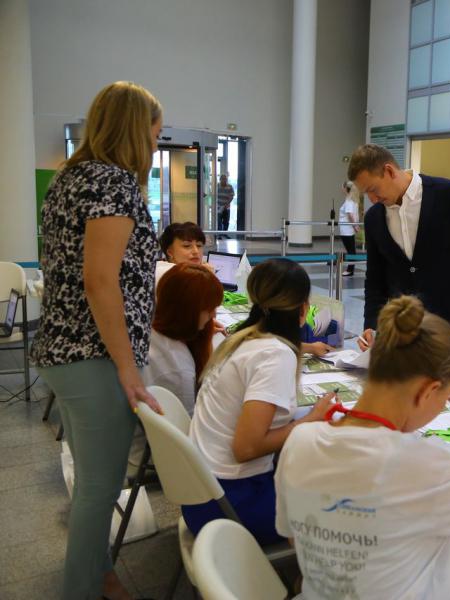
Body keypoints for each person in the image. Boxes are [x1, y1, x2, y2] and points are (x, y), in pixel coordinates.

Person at [275, 295, 450, 600]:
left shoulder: (300, 441)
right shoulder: (426, 465)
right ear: (427, 391)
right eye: (444, 399)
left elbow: (296, 540)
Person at [31, 81, 163, 600]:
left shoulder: (72, 177)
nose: (155, 145)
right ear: (136, 130)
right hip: (93, 354)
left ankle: (101, 574)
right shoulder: (114, 182)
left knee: (92, 478)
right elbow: (100, 281)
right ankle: (81, 588)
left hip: (66, 350)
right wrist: (127, 367)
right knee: (100, 487)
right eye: (154, 134)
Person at [184, 258, 333, 544]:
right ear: (304, 309)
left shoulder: (241, 339)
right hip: (231, 505)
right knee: (351, 505)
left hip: (201, 494)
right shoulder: (275, 355)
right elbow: (247, 448)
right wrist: (311, 419)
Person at [348, 144, 450, 355]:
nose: (372, 199)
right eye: (366, 193)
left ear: (389, 171)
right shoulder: (374, 218)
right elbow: (375, 278)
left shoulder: (449, 195)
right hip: (402, 330)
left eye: (373, 189)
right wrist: (371, 325)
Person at [144, 263, 224, 414]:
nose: (214, 315)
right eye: (209, 309)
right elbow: (187, 424)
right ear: (188, 311)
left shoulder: (148, 331)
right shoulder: (179, 371)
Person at [339, 181, 360, 276]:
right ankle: (350, 269)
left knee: (351, 250)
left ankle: (350, 270)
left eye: (342, 187)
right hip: (348, 229)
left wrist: (355, 226)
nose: (341, 189)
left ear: (346, 189)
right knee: (351, 249)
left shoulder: (349, 201)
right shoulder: (352, 200)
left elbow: (350, 214)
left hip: (346, 229)